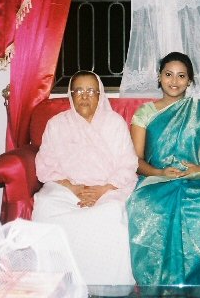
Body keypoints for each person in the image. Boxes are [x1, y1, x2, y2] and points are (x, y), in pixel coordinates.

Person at [126, 52, 200, 285]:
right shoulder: (145, 113)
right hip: (155, 181)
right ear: (159, 77)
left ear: (190, 80)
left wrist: (199, 168)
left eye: (181, 76)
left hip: (198, 180)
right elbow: (136, 160)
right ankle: (161, 288)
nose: (174, 81)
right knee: (149, 209)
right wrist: (160, 172)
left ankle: (199, 289)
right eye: (168, 74)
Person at [32, 71, 138, 286]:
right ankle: (58, 281)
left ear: (100, 95)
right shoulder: (57, 124)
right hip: (66, 188)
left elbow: (128, 163)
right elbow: (46, 163)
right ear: (71, 95)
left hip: (108, 188)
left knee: (111, 212)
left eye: (91, 91)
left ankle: (107, 284)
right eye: (79, 91)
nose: (84, 96)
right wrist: (73, 187)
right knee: (46, 205)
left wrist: (102, 190)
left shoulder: (115, 123)